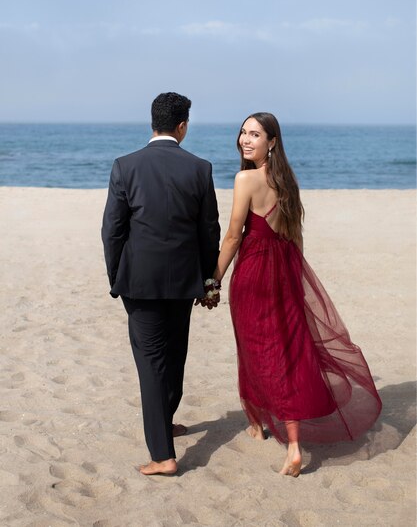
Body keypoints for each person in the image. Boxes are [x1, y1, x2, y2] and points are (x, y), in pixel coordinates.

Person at [204, 112, 382, 477]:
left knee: (256, 349)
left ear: (272, 141)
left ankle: (273, 432)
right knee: (287, 351)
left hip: (253, 275)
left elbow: (234, 237)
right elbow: (294, 236)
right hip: (284, 273)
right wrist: (296, 279)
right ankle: (276, 433)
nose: (245, 139)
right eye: (243, 132)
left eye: (255, 134)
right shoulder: (287, 181)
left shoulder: (245, 179)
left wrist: (213, 280)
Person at [102, 92, 220, 476]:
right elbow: (208, 231)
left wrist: (115, 276)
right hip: (185, 280)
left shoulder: (125, 166)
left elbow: (112, 230)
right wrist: (209, 280)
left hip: (139, 281)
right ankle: (164, 423)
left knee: (152, 364)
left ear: (152, 122)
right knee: (174, 355)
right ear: (182, 126)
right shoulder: (200, 168)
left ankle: (163, 455)